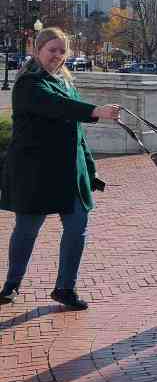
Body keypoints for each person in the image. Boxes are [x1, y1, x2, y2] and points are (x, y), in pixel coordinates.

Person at [0, 27, 121, 310]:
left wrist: (89, 168)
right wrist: (96, 111)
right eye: (51, 50)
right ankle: (11, 284)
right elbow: (59, 107)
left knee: (77, 227)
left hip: (70, 171)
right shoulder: (29, 83)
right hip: (36, 171)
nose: (57, 56)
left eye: (61, 51)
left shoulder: (67, 83)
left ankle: (65, 288)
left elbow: (76, 132)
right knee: (27, 229)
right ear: (38, 50)